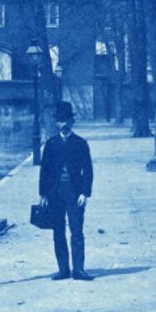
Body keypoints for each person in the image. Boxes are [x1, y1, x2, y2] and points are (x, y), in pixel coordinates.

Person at [38, 101, 93, 281]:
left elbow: (88, 170)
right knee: (58, 231)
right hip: (54, 194)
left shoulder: (80, 143)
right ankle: (63, 269)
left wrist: (84, 193)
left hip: (74, 193)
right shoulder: (51, 144)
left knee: (77, 230)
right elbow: (44, 170)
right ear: (56, 123)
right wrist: (43, 194)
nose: (64, 124)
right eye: (60, 121)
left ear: (72, 122)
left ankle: (78, 270)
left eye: (67, 120)